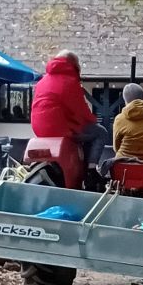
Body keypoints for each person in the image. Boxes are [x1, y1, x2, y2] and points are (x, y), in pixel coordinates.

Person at [31, 50, 109, 191]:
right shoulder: (70, 82)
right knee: (100, 133)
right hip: (61, 127)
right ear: (73, 64)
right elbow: (81, 109)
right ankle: (91, 171)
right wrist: (92, 120)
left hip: (40, 129)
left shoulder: (42, 81)